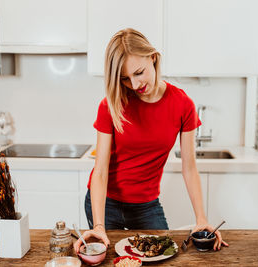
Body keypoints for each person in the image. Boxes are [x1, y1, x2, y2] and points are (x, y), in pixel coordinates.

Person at [74, 28, 228, 254]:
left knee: (166, 254)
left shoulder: (182, 104)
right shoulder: (110, 105)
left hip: (146, 205)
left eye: (139, 73)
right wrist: (98, 226)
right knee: (112, 259)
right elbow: (100, 170)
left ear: (153, 58)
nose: (135, 85)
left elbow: (190, 168)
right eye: (125, 79)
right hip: (105, 203)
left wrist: (201, 219)